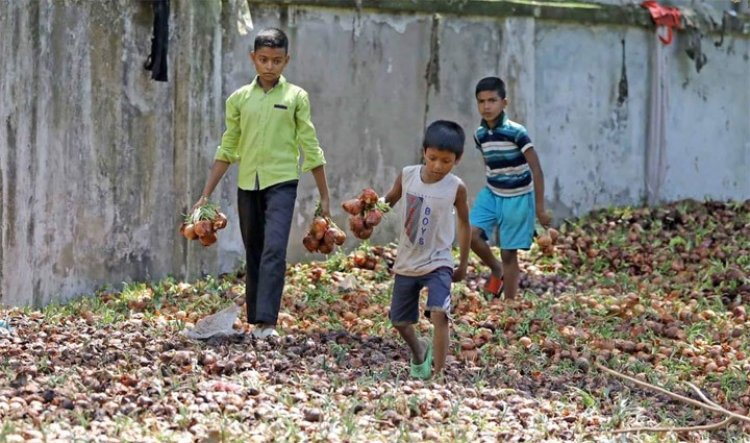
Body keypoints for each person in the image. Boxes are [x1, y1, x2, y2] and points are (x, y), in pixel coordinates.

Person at [193, 28, 331, 339]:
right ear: (253, 58)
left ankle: (267, 323)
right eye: (264, 59)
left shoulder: (296, 97)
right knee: (254, 249)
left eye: (277, 61)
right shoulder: (239, 99)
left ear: (287, 61)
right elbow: (228, 147)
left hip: (282, 182)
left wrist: (325, 195)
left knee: (274, 249)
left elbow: (310, 144)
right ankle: (255, 318)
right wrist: (205, 195)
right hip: (248, 185)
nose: (270, 66)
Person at [382, 120, 471, 380]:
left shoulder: (456, 187)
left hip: (439, 261)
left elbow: (465, 223)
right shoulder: (408, 175)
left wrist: (463, 263)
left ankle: (439, 374)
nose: (437, 166)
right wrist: (367, 213)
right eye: (432, 158)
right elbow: (388, 201)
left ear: (457, 159)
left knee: (440, 312)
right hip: (408, 261)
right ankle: (419, 348)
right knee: (399, 321)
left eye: (445, 161)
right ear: (424, 152)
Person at [469, 76, 550, 300]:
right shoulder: (480, 134)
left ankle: (510, 304)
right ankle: (496, 270)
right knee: (470, 234)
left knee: (508, 251)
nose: (486, 106)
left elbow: (536, 169)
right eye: (481, 101)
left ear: (504, 103)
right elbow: (488, 162)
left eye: (492, 100)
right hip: (492, 193)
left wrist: (540, 209)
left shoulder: (517, 132)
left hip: (518, 196)